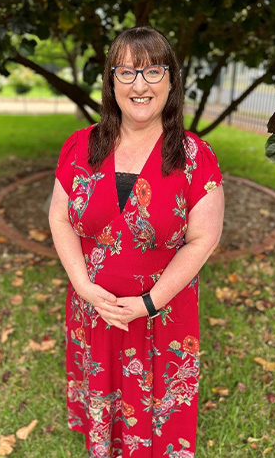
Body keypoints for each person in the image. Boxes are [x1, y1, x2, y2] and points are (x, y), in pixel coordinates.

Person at [49, 26, 225, 458]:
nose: (139, 85)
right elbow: (59, 218)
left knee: (159, 427)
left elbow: (202, 240)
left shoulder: (194, 157)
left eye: (152, 71)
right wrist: (86, 288)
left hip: (162, 318)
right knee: (104, 419)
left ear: (171, 81)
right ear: (111, 82)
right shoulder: (80, 146)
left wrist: (150, 302)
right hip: (95, 311)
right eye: (126, 72)